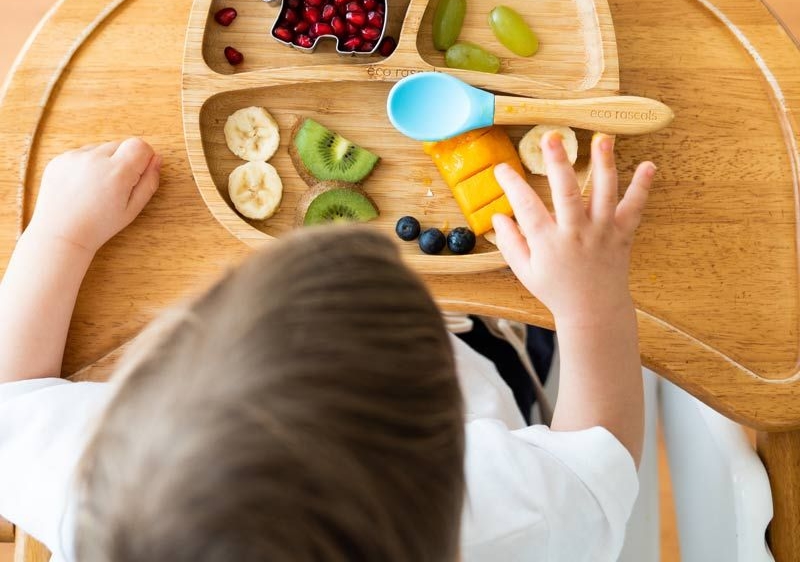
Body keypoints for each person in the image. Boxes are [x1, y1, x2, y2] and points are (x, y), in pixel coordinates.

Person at [0, 131, 655, 562]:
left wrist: (59, 235)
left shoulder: (102, 500)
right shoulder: (518, 518)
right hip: (494, 352)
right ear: (446, 465)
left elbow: (9, 398)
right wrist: (589, 303)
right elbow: (600, 454)